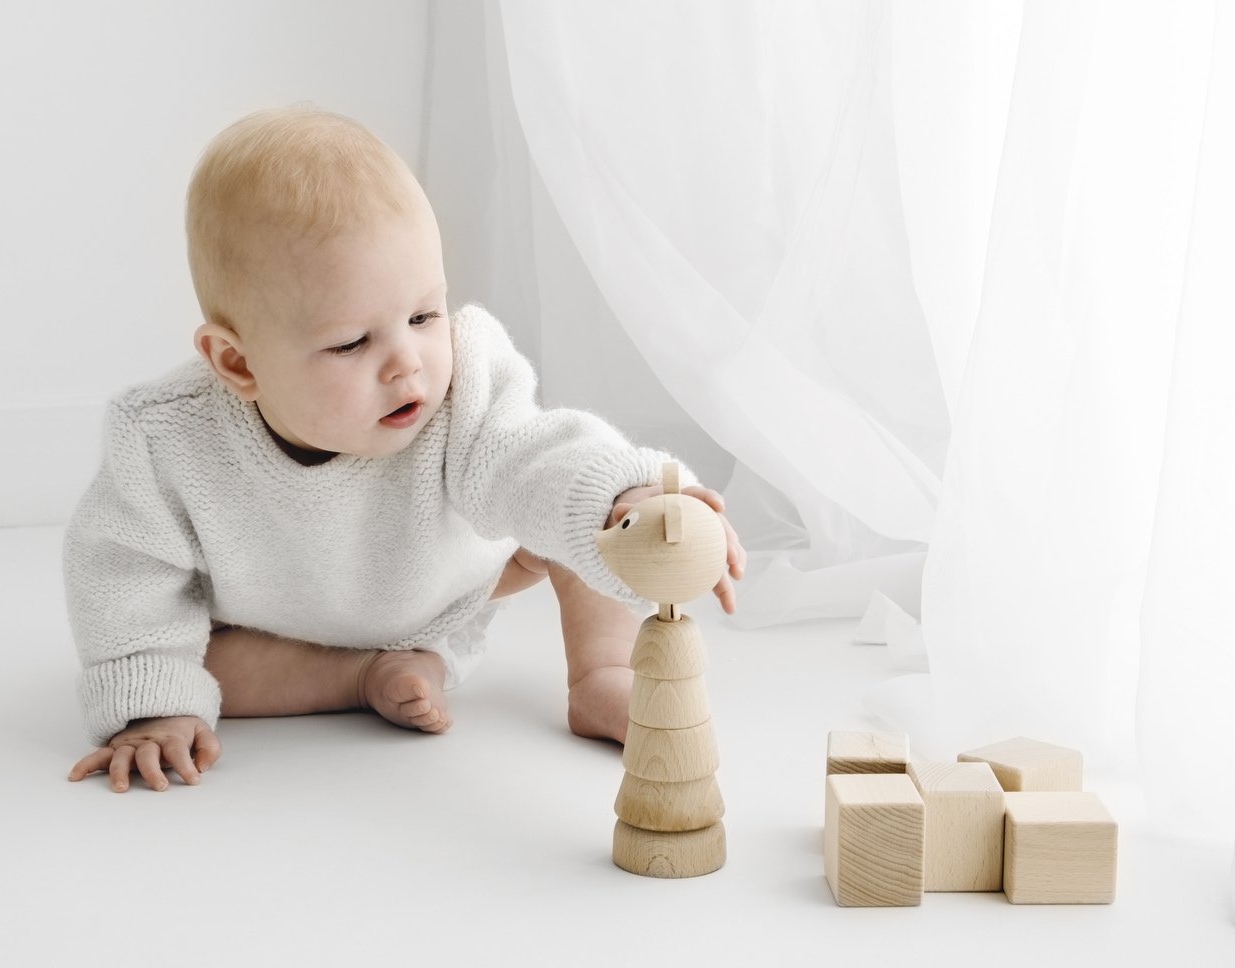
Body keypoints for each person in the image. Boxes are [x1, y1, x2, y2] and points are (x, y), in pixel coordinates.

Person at [64, 106, 746, 793]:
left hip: (448, 587)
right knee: (203, 666)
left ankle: (603, 671)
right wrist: (154, 707)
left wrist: (627, 500)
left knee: (571, 525)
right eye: (353, 343)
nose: (407, 366)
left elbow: (537, 455)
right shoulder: (165, 439)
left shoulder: (464, 389)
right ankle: (360, 677)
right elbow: (125, 574)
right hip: (274, 624)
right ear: (238, 364)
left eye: (423, 316)